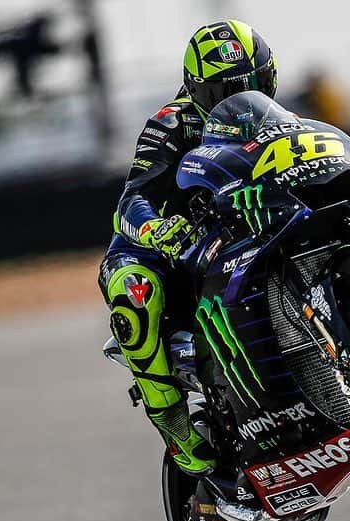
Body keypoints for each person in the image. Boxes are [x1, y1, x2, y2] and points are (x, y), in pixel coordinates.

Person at [98, 20, 277, 476]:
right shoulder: (170, 123)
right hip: (162, 250)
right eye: (223, 93)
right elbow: (131, 199)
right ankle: (171, 417)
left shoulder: (276, 120)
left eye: (252, 85)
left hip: (235, 237)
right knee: (134, 290)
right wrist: (158, 229)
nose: (239, 100)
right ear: (196, 90)